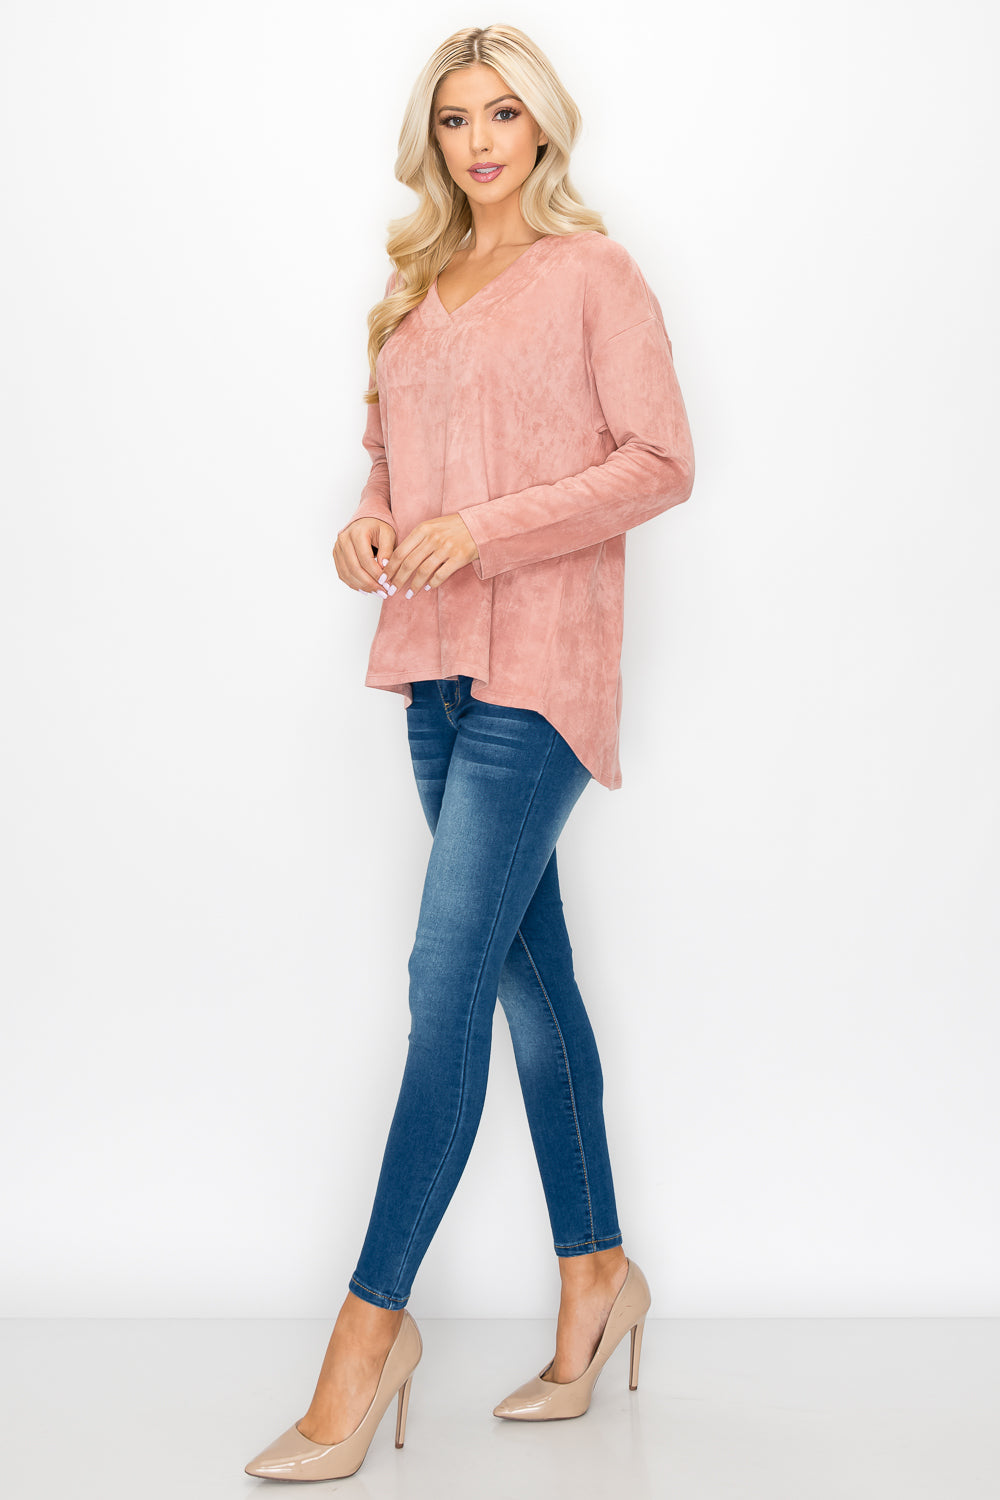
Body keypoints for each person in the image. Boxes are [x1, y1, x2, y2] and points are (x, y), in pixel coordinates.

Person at [245, 22, 694, 1483]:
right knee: (525, 979)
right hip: (430, 672)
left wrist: (481, 530)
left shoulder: (596, 273)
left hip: (540, 677)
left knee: (443, 990)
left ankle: (368, 1340)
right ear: (431, 140)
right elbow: (391, 470)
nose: (481, 140)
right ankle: (597, 1273)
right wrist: (367, 526)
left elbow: (661, 461)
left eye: (504, 114)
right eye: (455, 119)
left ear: (543, 127)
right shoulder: (413, 288)